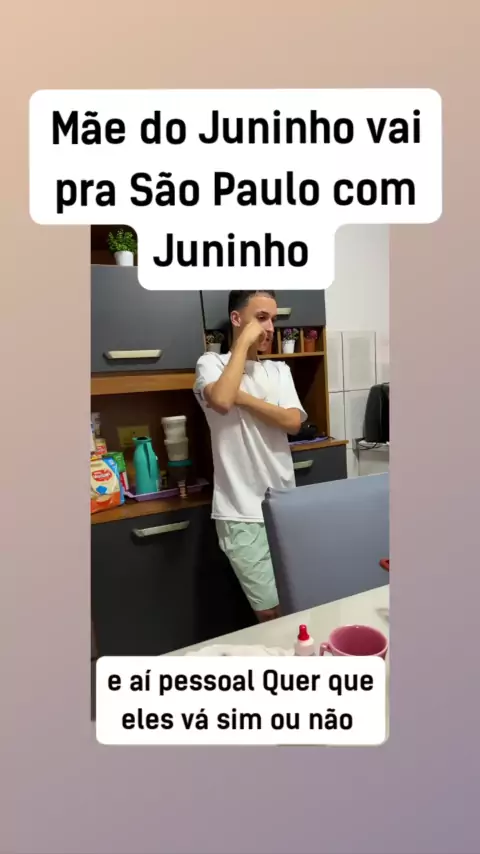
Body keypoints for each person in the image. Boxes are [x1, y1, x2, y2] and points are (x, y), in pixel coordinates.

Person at [194, 290, 307, 622]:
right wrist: (244, 342)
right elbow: (221, 401)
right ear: (236, 319)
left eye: (273, 319)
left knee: (295, 602)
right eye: (261, 318)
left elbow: (293, 422)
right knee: (270, 612)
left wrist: (243, 398)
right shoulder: (211, 364)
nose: (270, 328)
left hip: (285, 505)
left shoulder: (279, 371)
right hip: (241, 511)